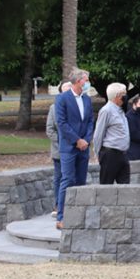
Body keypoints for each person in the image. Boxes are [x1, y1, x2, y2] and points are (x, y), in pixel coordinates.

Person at [54, 68, 94, 230]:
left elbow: (91, 121)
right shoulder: (62, 99)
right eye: (86, 80)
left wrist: (86, 140)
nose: (87, 83)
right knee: (67, 180)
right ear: (78, 81)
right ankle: (61, 216)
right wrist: (77, 140)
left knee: (80, 181)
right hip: (69, 147)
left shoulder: (87, 100)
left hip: (84, 147)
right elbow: (61, 124)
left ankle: (78, 216)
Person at [91, 82, 131, 185]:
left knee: (125, 187)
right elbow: (98, 134)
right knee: (106, 186)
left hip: (123, 154)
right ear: (117, 96)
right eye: (124, 94)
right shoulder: (106, 111)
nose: (126, 97)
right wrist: (97, 153)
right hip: (110, 154)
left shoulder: (120, 111)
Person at [45, 81, 72, 217]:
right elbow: (50, 130)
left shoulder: (76, 108)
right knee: (59, 178)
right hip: (59, 151)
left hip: (74, 149)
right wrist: (62, 141)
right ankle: (57, 205)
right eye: (65, 90)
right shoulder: (54, 108)